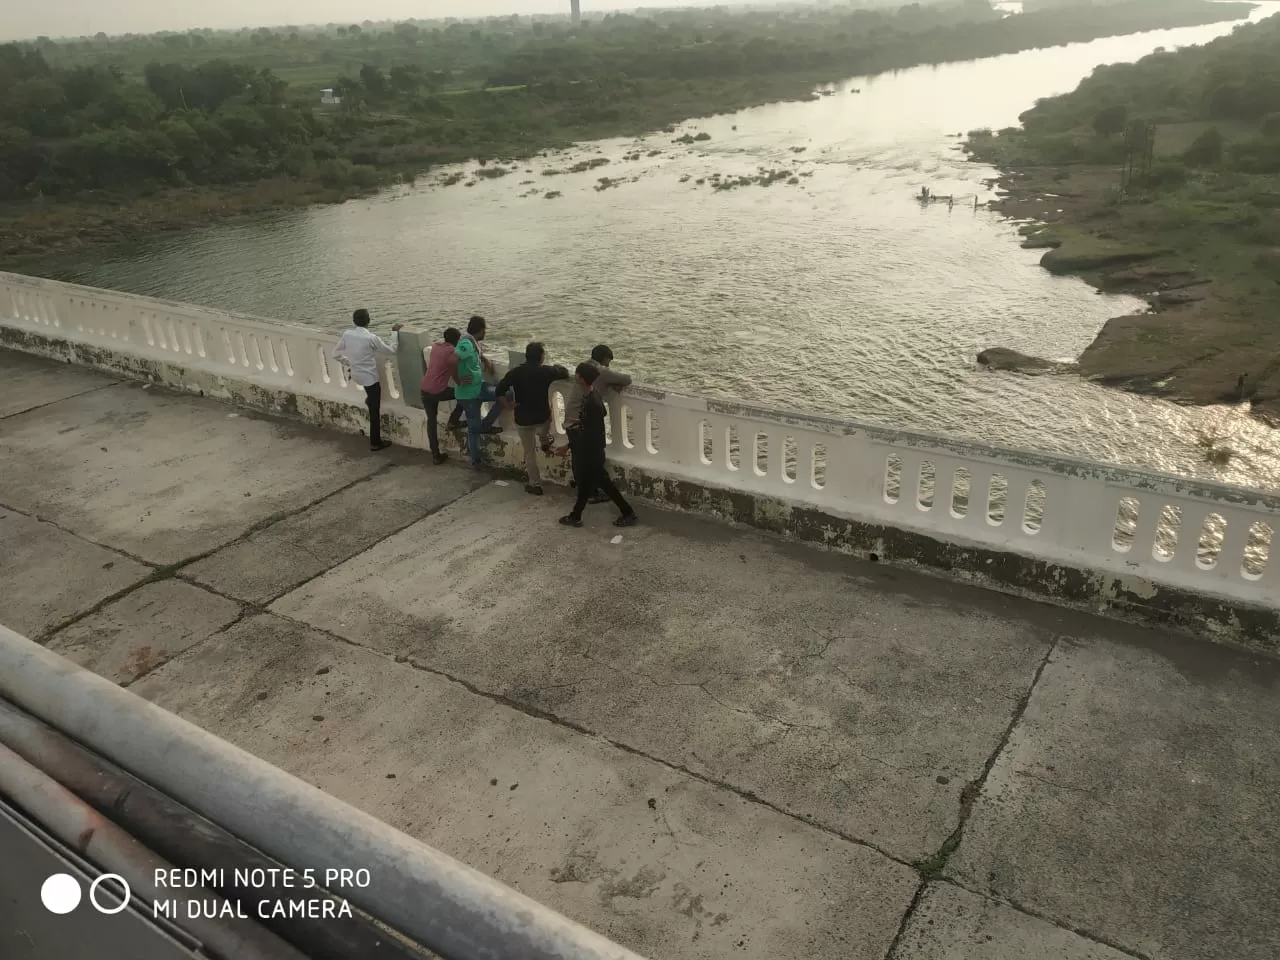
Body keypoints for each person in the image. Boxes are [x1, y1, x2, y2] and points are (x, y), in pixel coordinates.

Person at [560, 363, 637, 528]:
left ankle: (628, 512)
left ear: (579, 377)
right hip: (591, 448)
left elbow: (587, 431)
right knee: (586, 483)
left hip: (589, 450)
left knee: (598, 482)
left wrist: (568, 445)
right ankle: (576, 515)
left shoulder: (590, 403)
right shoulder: (593, 396)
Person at [497, 342, 569, 495]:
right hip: (542, 417)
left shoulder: (516, 372)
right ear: (541, 357)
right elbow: (564, 372)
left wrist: (509, 406)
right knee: (547, 420)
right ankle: (544, 441)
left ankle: (535, 484)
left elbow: (499, 390)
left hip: (523, 417)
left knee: (529, 453)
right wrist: (555, 366)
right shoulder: (547, 372)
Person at [561, 344, 632, 502]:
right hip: (583, 423)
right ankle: (593, 493)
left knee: (579, 459)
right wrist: (612, 382)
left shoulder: (584, 367)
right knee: (595, 459)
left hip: (570, 420)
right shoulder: (601, 371)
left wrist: (608, 383)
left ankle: (583, 489)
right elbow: (627, 379)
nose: (608, 365)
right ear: (604, 359)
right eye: (608, 361)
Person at [332, 308, 402, 451]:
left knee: (371, 399)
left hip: (357, 375)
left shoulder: (347, 334)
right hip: (370, 378)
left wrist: (349, 363)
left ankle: (369, 402)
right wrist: (395, 332)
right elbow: (391, 350)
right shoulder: (371, 338)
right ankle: (375, 442)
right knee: (374, 411)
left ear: (354, 321)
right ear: (368, 321)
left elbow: (335, 354)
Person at [453, 315, 507, 468]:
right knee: (473, 430)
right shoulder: (466, 343)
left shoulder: (471, 342)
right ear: (481, 330)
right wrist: (458, 380)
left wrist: (484, 358)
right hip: (469, 395)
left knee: (504, 393)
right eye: (485, 329)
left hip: (478, 388)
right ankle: (476, 461)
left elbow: (472, 354)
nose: (486, 333)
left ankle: (485, 425)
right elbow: (451, 360)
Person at [420, 326, 460, 465]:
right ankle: (454, 420)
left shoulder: (436, 346)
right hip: (438, 390)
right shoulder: (453, 351)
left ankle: (435, 455)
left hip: (425, 388)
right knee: (464, 394)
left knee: (432, 420)